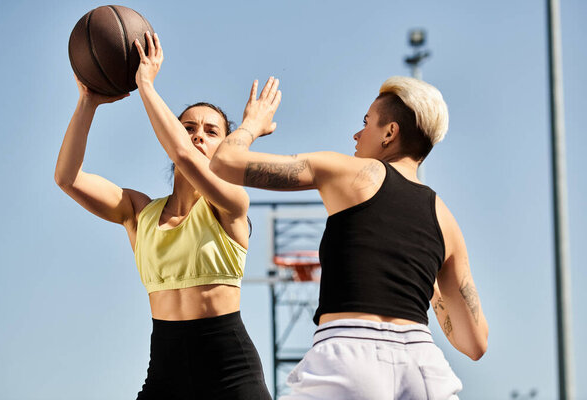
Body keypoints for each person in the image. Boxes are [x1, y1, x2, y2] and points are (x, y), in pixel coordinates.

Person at [210, 76, 489, 399]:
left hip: (350, 357)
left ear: (390, 132)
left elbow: (225, 162)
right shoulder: (445, 219)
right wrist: (423, 281)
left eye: (366, 123)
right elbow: (475, 343)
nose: (356, 134)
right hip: (425, 370)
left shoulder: (349, 172)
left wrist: (251, 125)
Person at [54, 32, 271, 399]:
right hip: (165, 373)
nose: (197, 136)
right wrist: (87, 103)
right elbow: (67, 177)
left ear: (224, 146)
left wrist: (145, 85)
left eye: (211, 131)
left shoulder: (231, 204)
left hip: (230, 372)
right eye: (187, 128)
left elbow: (185, 155)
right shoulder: (139, 212)